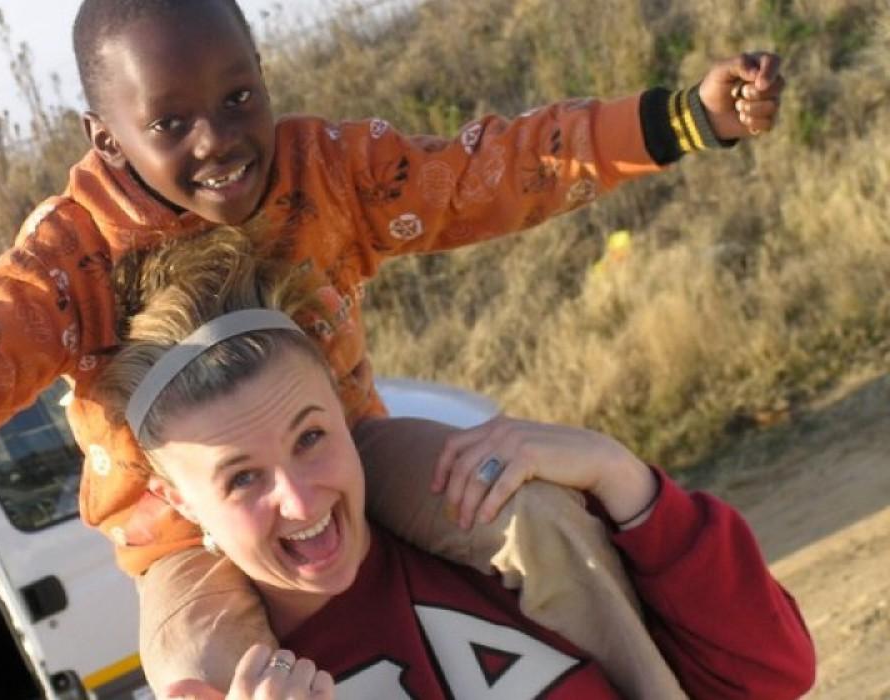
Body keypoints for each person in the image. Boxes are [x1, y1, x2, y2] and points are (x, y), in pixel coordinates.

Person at [0, 0, 786, 693]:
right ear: (105, 137)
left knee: (527, 510)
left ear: (263, 76)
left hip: (347, 447)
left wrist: (677, 121)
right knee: (201, 676)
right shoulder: (68, 259)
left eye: (239, 99)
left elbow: (489, 171)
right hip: (177, 536)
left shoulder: (328, 171)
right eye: (171, 122)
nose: (219, 141)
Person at [93, 227, 815, 699]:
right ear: (179, 501)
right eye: (242, 477)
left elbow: (773, 674)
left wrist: (618, 475)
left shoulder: (508, 548)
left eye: (310, 438)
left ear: (345, 419)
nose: (301, 499)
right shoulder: (244, 685)